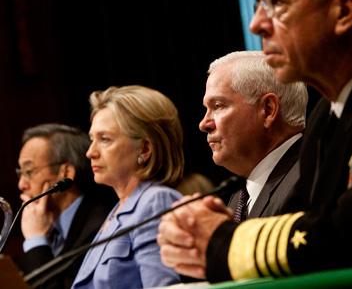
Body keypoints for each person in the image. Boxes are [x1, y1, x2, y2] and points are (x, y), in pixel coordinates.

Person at [157, 0, 352, 284]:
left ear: (344, 11)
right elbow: (307, 221)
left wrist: (224, 244)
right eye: (259, 4)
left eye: (277, 4)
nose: (256, 23)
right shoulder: (327, 112)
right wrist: (205, 234)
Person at [71, 85, 183, 289]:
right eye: (91, 139)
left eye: (104, 139)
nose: (90, 152)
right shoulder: (119, 209)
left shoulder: (156, 201)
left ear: (145, 148)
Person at [199, 51, 307, 219]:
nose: (204, 124)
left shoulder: (308, 178)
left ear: (268, 110)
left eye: (218, 106)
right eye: (207, 109)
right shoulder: (240, 196)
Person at [14, 123, 117, 289]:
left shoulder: (100, 227)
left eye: (29, 171)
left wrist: (35, 241)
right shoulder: (46, 226)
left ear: (66, 173)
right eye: (20, 173)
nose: (21, 184)